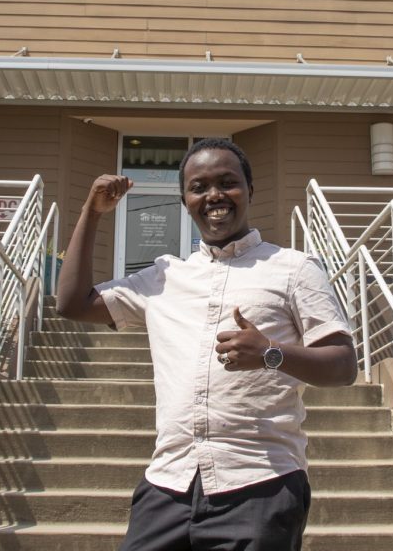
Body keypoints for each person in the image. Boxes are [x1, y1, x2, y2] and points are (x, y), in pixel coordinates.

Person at [55, 137, 357, 551]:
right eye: (199, 187)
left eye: (227, 182)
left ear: (250, 190)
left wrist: (271, 352)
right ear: (185, 200)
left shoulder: (294, 269)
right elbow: (73, 303)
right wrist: (92, 213)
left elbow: (342, 365)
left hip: (259, 483)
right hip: (167, 484)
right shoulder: (162, 277)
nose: (214, 195)